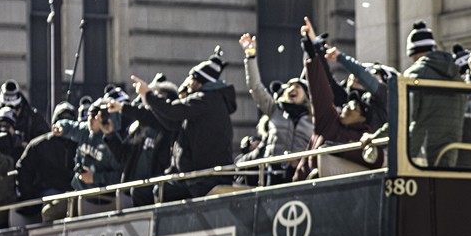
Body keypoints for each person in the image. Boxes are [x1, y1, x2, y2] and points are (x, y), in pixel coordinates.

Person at [133, 49, 237, 201]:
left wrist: (148, 94)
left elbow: (173, 111)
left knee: (156, 192)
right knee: (145, 191)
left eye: (191, 79)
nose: (188, 84)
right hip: (198, 176)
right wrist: (148, 101)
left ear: (199, 81)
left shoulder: (205, 100)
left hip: (203, 179)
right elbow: (172, 122)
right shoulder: (211, 101)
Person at [293, 18, 384, 179]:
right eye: (348, 104)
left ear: (362, 117)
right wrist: (313, 49)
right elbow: (320, 88)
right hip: (304, 190)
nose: (346, 107)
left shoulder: (366, 138)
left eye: (353, 107)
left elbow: (376, 161)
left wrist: (337, 149)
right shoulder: (328, 120)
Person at [239, 33, 313, 183]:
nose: (293, 89)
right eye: (290, 86)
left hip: (301, 174)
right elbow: (256, 87)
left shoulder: (313, 116)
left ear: (305, 95)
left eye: (298, 87)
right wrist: (250, 56)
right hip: (273, 172)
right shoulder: (275, 109)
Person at [101, 75, 178, 206]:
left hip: (157, 193)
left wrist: (123, 107)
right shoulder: (140, 126)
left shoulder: (171, 127)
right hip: (132, 192)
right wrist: (110, 135)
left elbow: (152, 116)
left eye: (157, 98)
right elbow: (124, 156)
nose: (151, 103)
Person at [401, 20, 465, 167]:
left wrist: (404, 157)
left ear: (413, 53)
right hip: (453, 151)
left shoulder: (414, 74)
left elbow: (408, 119)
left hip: (423, 154)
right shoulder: (456, 75)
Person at [14, 103, 77, 223]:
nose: (65, 124)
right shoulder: (38, 145)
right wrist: (31, 198)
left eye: (69, 120)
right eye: (61, 120)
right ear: (54, 123)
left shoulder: (81, 144)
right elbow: (23, 172)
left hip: (75, 192)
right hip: (47, 193)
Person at [0, 80, 49, 146]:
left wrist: (24, 144)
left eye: (14, 109)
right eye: (5, 108)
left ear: (20, 106)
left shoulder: (34, 119)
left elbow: (46, 144)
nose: (8, 113)